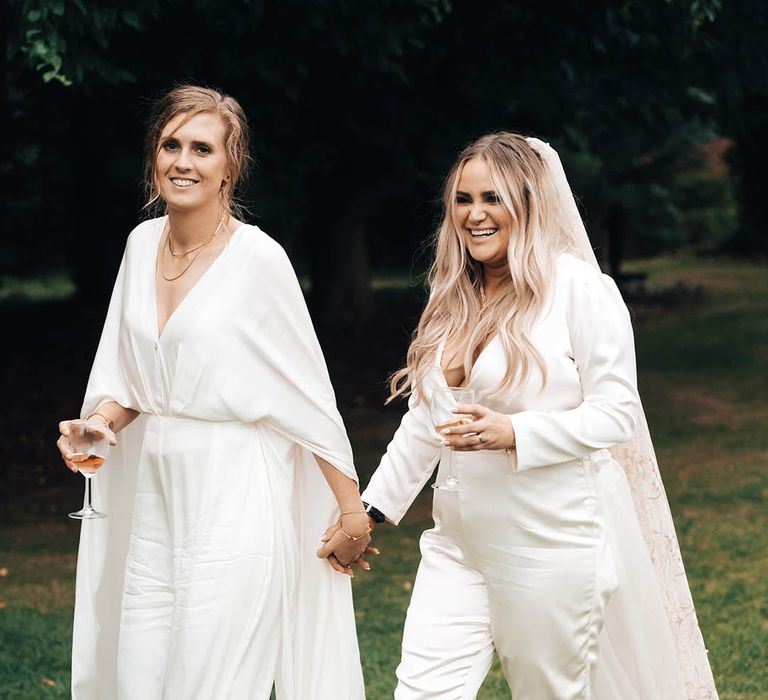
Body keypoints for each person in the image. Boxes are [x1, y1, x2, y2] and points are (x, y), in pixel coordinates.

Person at [361, 133, 718, 699]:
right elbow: (426, 415)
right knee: (421, 693)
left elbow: (617, 413)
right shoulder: (451, 293)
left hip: (546, 542)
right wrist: (372, 509)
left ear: (528, 202)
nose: (474, 215)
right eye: (462, 199)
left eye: (492, 198)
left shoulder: (579, 290)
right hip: (456, 544)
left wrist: (513, 433)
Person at [57, 84, 371, 700]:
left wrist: (353, 512)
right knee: (139, 675)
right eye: (170, 145)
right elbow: (135, 378)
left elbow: (309, 399)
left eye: (202, 148)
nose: (183, 161)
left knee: (212, 683)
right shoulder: (140, 243)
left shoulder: (260, 260)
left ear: (232, 165)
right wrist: (100, 425)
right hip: (154, 495)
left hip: (235, 492)